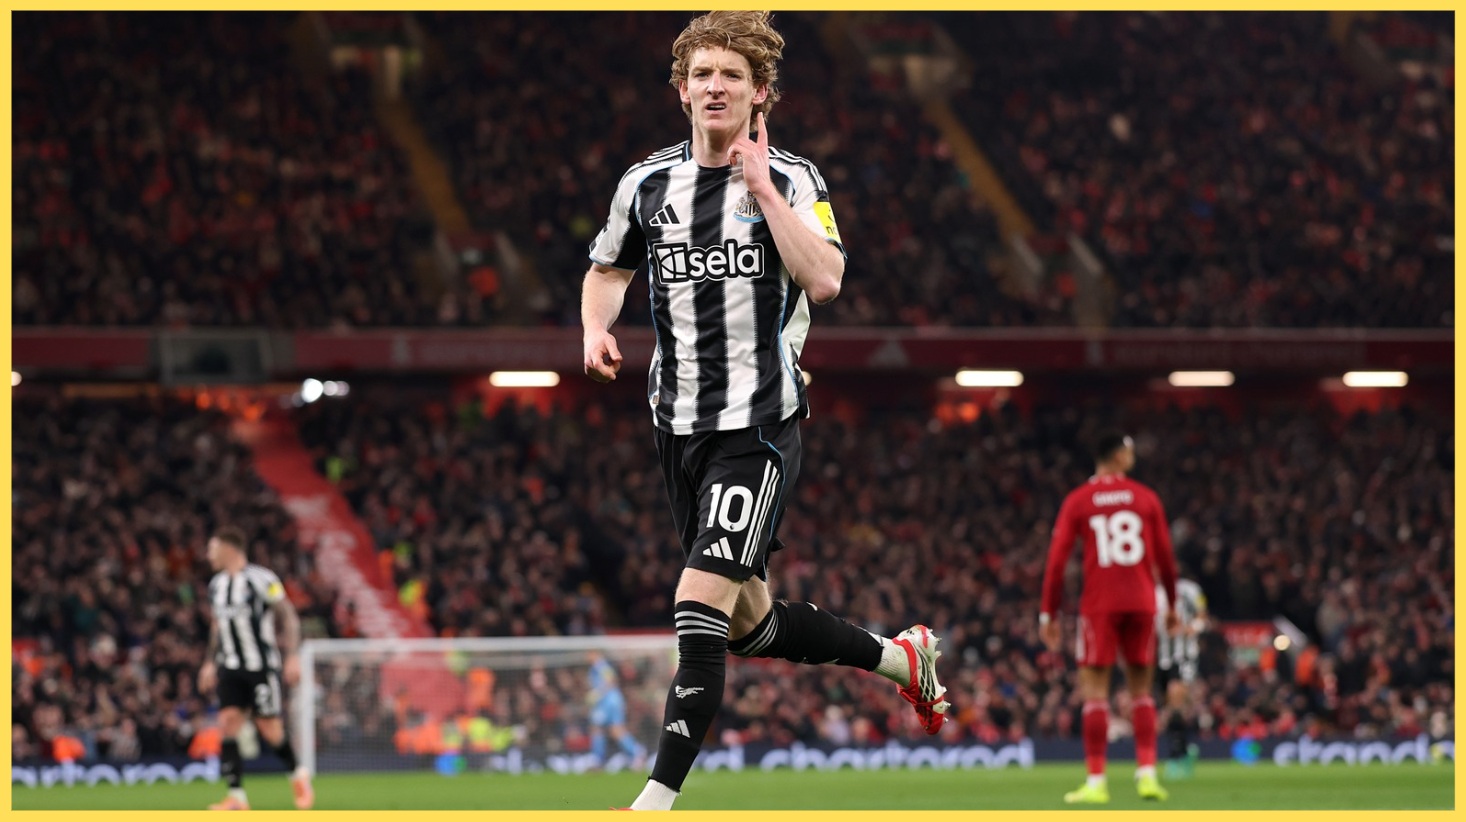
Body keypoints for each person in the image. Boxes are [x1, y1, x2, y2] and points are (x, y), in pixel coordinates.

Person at [581, 11, 948, 811]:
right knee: (745, 622)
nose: (715, 86)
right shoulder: (645, 184)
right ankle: (900, 660)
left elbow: (825, 279)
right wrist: (595, 327)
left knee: (695, 603)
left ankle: (654, 799)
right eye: (703, 74)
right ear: (682, 91)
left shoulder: (796, 179)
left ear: (759, 94)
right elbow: (607, 268)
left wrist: (759, 190)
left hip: (759, 424)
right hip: (676, 427)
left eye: (732, 76)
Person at [1039, 432, 1179, 804]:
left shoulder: (1078, 501)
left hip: (1100, 605)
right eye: (1129, 452)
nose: (1132, 457)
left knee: (1095, 695)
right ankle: (1147, 774)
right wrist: (1174, 605)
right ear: (1117, 456)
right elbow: (1165, 556)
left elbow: (1056, 563)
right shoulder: (1146, 497)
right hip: (1142, 602)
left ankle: (1097, 781)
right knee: (1141, 691)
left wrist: (1048, 613)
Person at [198, 526, 313, 810]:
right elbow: (217, 627)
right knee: (227, 723)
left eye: (212, 548)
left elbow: (287, 615)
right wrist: (210, 662)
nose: (208, 554)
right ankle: (236, 796)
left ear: (229, 548)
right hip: (230, 667)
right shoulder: (216, 586)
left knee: (269, 728)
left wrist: (292, 655)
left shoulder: (262, 579)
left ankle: (298, 775)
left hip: (260, 666)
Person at [1156, 575, 1208, 779]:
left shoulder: (1189, 589)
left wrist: (1191, 629)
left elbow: (1202, 616)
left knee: (1176, 699)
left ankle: (1176, 757)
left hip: (1184, 655)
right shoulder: (1148, 590)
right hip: (1160, 658)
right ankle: (1186, 749)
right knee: (1169, 708)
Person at [586, 651, 646, 769]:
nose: (587, 657)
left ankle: (598, 760)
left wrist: (597, 693)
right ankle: (636, 752)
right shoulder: (594, 668)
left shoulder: (601, 666)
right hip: (609, 702)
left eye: (590, 653)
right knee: (613, 730)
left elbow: (611, 680)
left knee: (599, 728)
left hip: (610, 702)